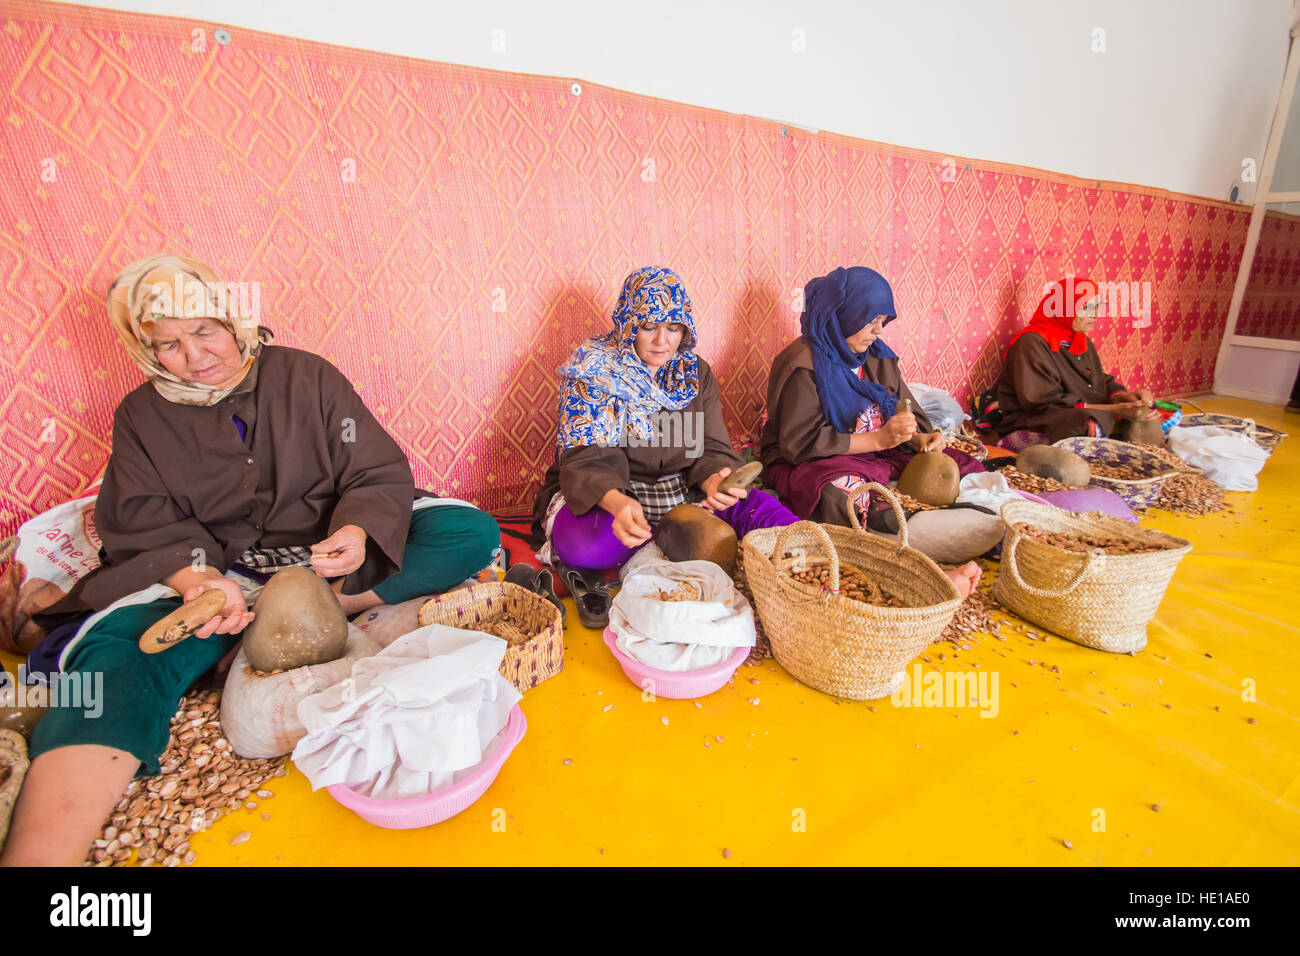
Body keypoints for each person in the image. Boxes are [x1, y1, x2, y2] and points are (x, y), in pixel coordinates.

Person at [0, 254, 499, 866]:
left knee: (467, 530)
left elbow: (372, 468)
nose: (197, 355)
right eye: (171, 344)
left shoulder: (307, 376)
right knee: (118, 660)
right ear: (147, 350)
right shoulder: (141, 416)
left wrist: (356, 531)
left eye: (205, 330)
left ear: (231, 319)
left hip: (322, 558)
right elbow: (141, 517)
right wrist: (196, 580)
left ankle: (314, 609)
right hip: (221, 572)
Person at [530, 266, 798, 620]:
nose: (662, 341)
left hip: (680, 492)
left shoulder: (694, 373)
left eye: (673, 328)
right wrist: (618, 504)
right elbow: (586, 458)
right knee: (586, 546)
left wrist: (715, 480)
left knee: (773, 520)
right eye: (649, 326)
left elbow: (713, 446)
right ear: (628, 323)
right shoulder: (594, 371)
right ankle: (664, 541)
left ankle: (662, 540)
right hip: (609, 495)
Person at [761, 266, 985, 525]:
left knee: (961, 465)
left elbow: (901, 404)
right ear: (845, 316)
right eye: (870, 322)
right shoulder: (804, 365)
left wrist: (918, 437)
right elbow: (801, 443)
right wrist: (879, 440)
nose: (878, 331)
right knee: (839, 493)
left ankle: (906, 516)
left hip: (878, 453)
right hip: (819, 458)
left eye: (882, 322)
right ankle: (886, 524)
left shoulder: (877, 355)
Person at [995, 276, 1153, 445]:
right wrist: (1113, 410)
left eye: (1098, 307)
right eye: (1086, 307)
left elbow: (1098, 381)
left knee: (1147, 417)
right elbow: (1044, 404)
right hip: (1037, 418)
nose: (1095, 315)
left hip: (1081, 410)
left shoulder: (1079, 340)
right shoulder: (1031, 343)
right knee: (1087, 422)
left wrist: (1124, 398)